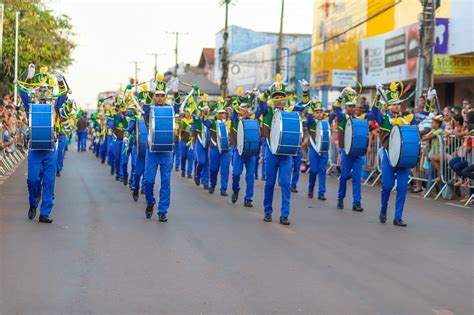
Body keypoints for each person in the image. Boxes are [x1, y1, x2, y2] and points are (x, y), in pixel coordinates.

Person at [372, 82, 433, 226]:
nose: (397, 106)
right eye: (393, 104)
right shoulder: (384, 119)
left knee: (402, 188)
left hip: (404, 157)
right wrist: (377, 95)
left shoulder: (408, 118)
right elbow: (374, 112)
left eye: (398, 104)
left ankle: (398, 217)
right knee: (387, 186)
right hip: (389, 157)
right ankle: (383, 210)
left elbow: (423, 115)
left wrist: (429, 100)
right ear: (388, 106)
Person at [18, 64, 72, 223]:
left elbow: (63, 94)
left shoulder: (55, 107)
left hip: (50, 150)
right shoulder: (31, 107)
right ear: (36, 91)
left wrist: (61, 80)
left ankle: (45, 212)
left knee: (49, 182)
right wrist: (29, 76)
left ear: (50, 92)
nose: (42, 92)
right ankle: (33, 203)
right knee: (32, 181)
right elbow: (22, 93)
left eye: (46, 89)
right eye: (40, 89)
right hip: (35, 150)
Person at [258, 74, 304, 225]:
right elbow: (261, 102)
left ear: (285, 99)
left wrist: (306, 92)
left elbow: (304, 105)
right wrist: (267, 91)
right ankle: (267, 211)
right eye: (276, 97)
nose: (279, 100)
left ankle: (285, 214)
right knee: (270, 183)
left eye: (281, 97)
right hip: (271, 152)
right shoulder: (268, 112)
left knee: (285, 183)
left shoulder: (290, 111)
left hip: (286, 154)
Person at [333, 85, 376, 212]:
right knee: (345, 176)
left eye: (353, 106)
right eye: (349, 106)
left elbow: (367, 130)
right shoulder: (342, 118)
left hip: (357, 154)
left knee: (357, 178)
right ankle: (340, 198)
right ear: (346, 107)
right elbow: (336, 107)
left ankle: (356, 203)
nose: (352, 108)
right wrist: (341, 96)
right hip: (346, 152)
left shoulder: (359, 120)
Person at [143, 74, 179, 221]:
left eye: (161, 96)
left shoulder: (169, 110)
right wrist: (149, 92)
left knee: (165, 182)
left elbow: (177, 107)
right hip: (152, 150)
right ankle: (150, 202)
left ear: (165, 97)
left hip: (166, 151)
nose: (159, 98)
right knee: (148, 181)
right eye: (156, 95)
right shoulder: (149, 110)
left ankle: (162, 211)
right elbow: (144, 108)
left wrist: (176, 92)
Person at [230, 90, 257, 207]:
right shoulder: (235, 118)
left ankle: (248, 198)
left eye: (246, 108)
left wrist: (255, 96)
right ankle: (236, 190)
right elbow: (233, 104)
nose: (244, 110)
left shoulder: (253, 119)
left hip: (250, 152)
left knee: (250, 176)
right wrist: (240, 97)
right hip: (238, 151)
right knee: (236, 174)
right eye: (242, 108)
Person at [203, 97, 231, 195]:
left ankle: (223, 189)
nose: (221, 115)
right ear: (216, 114)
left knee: (225, 168)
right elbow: (204, 122)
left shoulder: (229, 123)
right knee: (213, 168)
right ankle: (212, 185)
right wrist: (205, 113)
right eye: (219, 113)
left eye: (223, 113)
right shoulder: (212, 123)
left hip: (226, 150)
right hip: (214, 148)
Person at [304, 97, 329, 200]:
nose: (319, 114)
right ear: (314, 114)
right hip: (314, 149)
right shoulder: (311, 123)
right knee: (313, 170)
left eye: (320, 112)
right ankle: (310, 189)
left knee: (322, 170)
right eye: (316, 112)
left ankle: (321, 193)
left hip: (323, 150)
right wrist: (311, 105)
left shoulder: (325, 122)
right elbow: (309, 118)